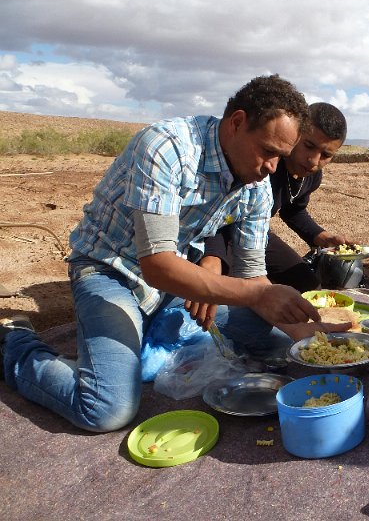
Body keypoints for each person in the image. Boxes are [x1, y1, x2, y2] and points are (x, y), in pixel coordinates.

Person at [0, 75, 349, 433]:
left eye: (281, 156)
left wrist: (305, 333)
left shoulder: (256, 184)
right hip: (111, 272)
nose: (273, 167)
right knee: (106, 409)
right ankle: (15, 343)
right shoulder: (167, 148)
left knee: (275, 345)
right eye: (269, 151)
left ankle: (145, 331)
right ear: (237, 123)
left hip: (176, 281)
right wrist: (247, 291)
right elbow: (158, 266)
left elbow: (251, 274)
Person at [200, 102, 353, 294]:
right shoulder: (262, 166)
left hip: (255, 234)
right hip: (217, 233)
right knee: (222, 286)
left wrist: (321, 236)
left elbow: (293, 209)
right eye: (308, 146)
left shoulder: (310, 176)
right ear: (296, 134)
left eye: (326, 154)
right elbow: (218, 212)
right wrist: (213, 256)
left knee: (307, 286)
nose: (314, 160)